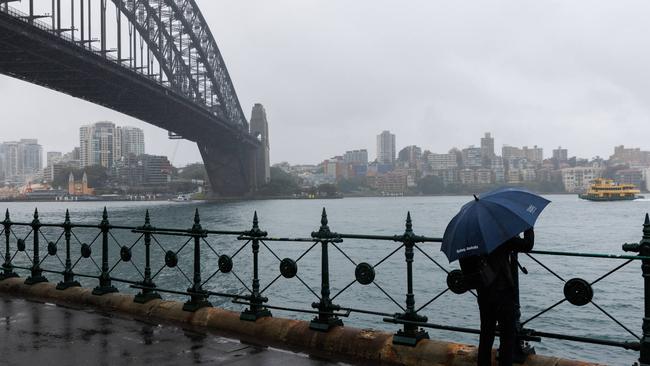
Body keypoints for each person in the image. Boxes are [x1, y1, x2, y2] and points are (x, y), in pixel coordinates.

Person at [477, 228, 534, 366]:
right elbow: (527, 245)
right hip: (502, 291)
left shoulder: (473, 235)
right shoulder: (499, 234)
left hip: (483, 291)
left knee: (486, 334)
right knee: (507, 337)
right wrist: (528, 227)